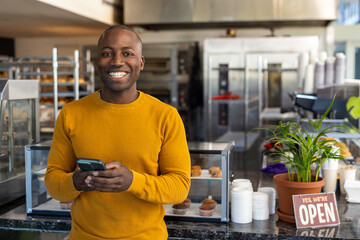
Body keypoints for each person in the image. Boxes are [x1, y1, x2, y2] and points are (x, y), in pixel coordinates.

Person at [44, 25, 191, 240]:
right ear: (97, 63)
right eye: (107, 53)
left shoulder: (166, 116)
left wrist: (132, 181)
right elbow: (53, 183)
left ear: (140, 62)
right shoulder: (70, 114)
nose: (116, 61)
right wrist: (75, 182)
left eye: (127, 53)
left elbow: (180, 187)